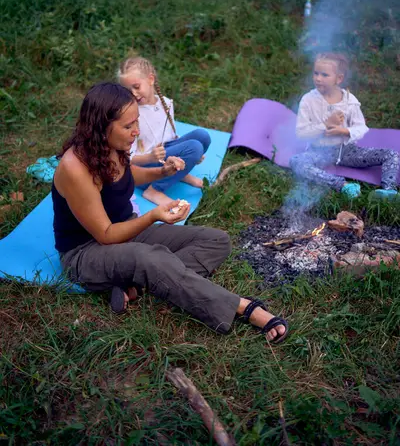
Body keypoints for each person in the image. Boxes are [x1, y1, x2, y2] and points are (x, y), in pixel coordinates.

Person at [52, 82, 288, 342]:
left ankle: (138, 284)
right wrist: (152, 215)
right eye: (128, 126)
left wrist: (162, 171)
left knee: (215, 240)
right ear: (100, 126)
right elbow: (106, 235)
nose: (136, 132)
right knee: (150, 258)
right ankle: (241, 307)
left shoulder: (113, 145)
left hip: (125, 231)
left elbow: (127, 174)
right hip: (86, 252)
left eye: (136, 122)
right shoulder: (75, 168)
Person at [290, 52, 399, 198]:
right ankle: (342, 185)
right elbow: (301, 133)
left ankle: (388, 190)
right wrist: (325, 126)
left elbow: (361, 127)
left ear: (339, 78)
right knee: (297, 162)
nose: (318, 78)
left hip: (347, 152)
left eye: (324, 75)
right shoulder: (308, 100)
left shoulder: (349, 100)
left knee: (391, 154)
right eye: (316, 73)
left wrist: (344, 131)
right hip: (319, 152)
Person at [117, 56, 211, 205]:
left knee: (202, 136)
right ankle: (154, 190)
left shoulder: (165, 103)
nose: (133, 94)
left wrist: (190, 155)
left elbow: (171, 136)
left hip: (165, 156)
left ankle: (180, 173)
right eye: (128, 90)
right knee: (195, 147)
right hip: (142, 168)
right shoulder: (131, 115)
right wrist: (150, 158)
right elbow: (125, 158)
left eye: (136, 86)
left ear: (151, 79)